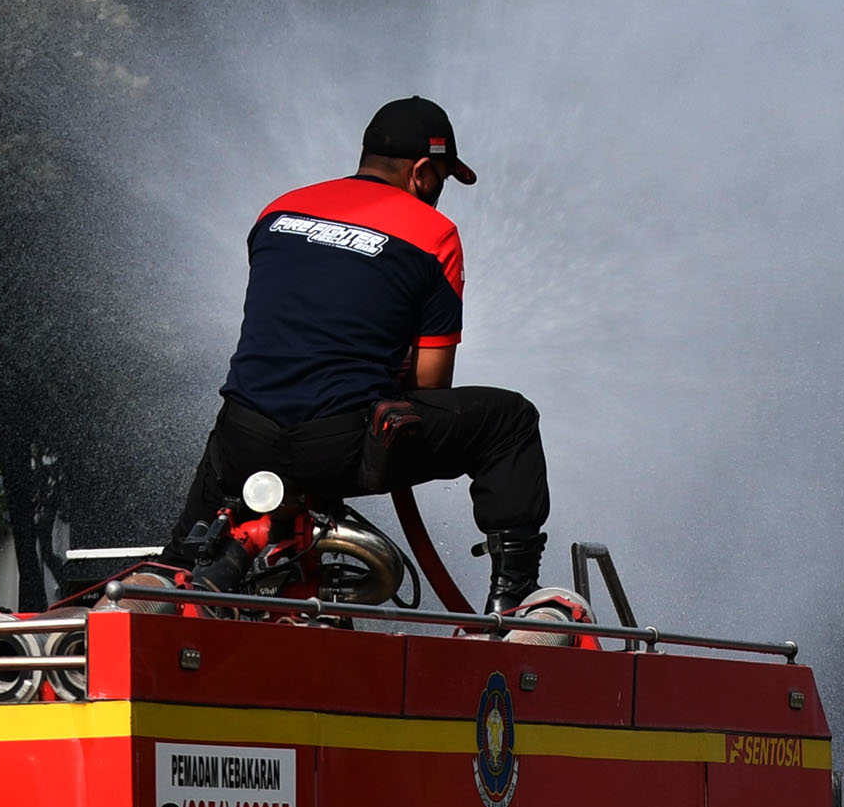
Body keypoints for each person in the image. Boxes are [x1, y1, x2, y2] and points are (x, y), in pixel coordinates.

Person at [165, 97, 555, 616]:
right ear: (421, 173)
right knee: (510, 421)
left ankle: (169, 576)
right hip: (341, 445)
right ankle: (516, 601)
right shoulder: (432, 233)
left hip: (243, 444)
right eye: (441, 179)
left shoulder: (277, 210)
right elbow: (431, 382)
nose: (440, 195)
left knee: (181, 553)